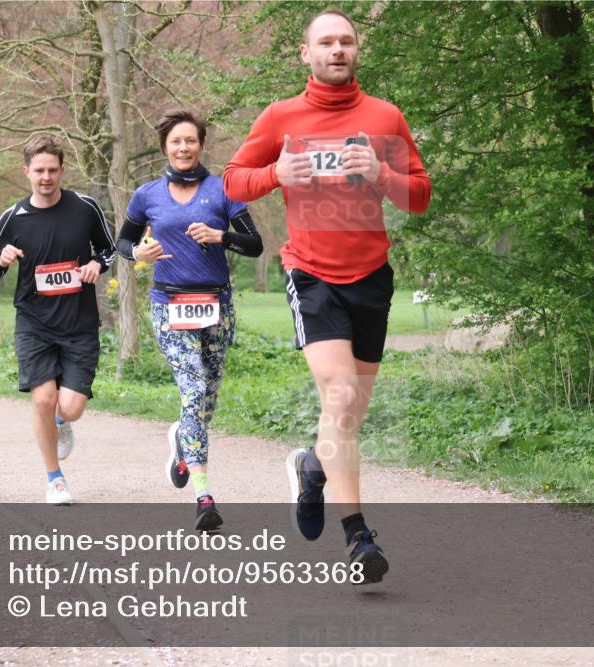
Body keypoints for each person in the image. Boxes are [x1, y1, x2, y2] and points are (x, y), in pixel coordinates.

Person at [224, 9, 431, 583]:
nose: (336, 50)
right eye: (326, 42)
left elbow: (420, 197)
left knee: (348, 415)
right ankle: (358, 536)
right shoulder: (281, 117)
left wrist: (383, 176)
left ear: (357, 50)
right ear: (306, 53)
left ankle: (312, 466)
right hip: (311, 273)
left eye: (346, 41)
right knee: (339, 396)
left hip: (371, 276)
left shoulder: (385, 117)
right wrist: (276, 175)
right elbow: (233, 179)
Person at [117, 108, 262, 531]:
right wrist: (136, 254)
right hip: (170, 305)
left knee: (206, 399)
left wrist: (223, 237)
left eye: (191, 141)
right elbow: (123, 241)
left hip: (217, 306)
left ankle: (184, 442)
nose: (184, 148)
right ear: (165, 146)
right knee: (194, 387)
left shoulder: (223, 190)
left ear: (201, 145)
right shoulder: (147, 195)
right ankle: (204, 495)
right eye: (176, 142)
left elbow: (254, 245)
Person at [0, 135, 116, 504]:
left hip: (80, 323)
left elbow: (109, 251)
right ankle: (54, 478)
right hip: (34, 323)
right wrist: (1, 261)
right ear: (26, 172)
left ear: (62, 170)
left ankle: (60, 423)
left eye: (53, 170)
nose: (46, 177)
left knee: (69, 408)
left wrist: (96, 265)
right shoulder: (13, 217)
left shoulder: (85, 208)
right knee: (42, 398)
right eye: (39, 170)